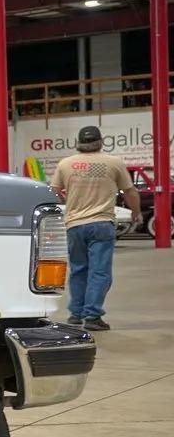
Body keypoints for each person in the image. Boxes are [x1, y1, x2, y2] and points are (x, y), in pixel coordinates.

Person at [48, 125, 140, 331]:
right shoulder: (113, 162)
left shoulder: (66, 164)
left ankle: (76, 314)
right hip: (101, 223)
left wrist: (68, 199)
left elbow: (53, 190)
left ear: (78, 143)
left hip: (74, 224)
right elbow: (130, 191)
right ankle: (92, 316)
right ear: (100, 142)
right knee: (99, 271)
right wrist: (136, 212)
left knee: (78, 270)